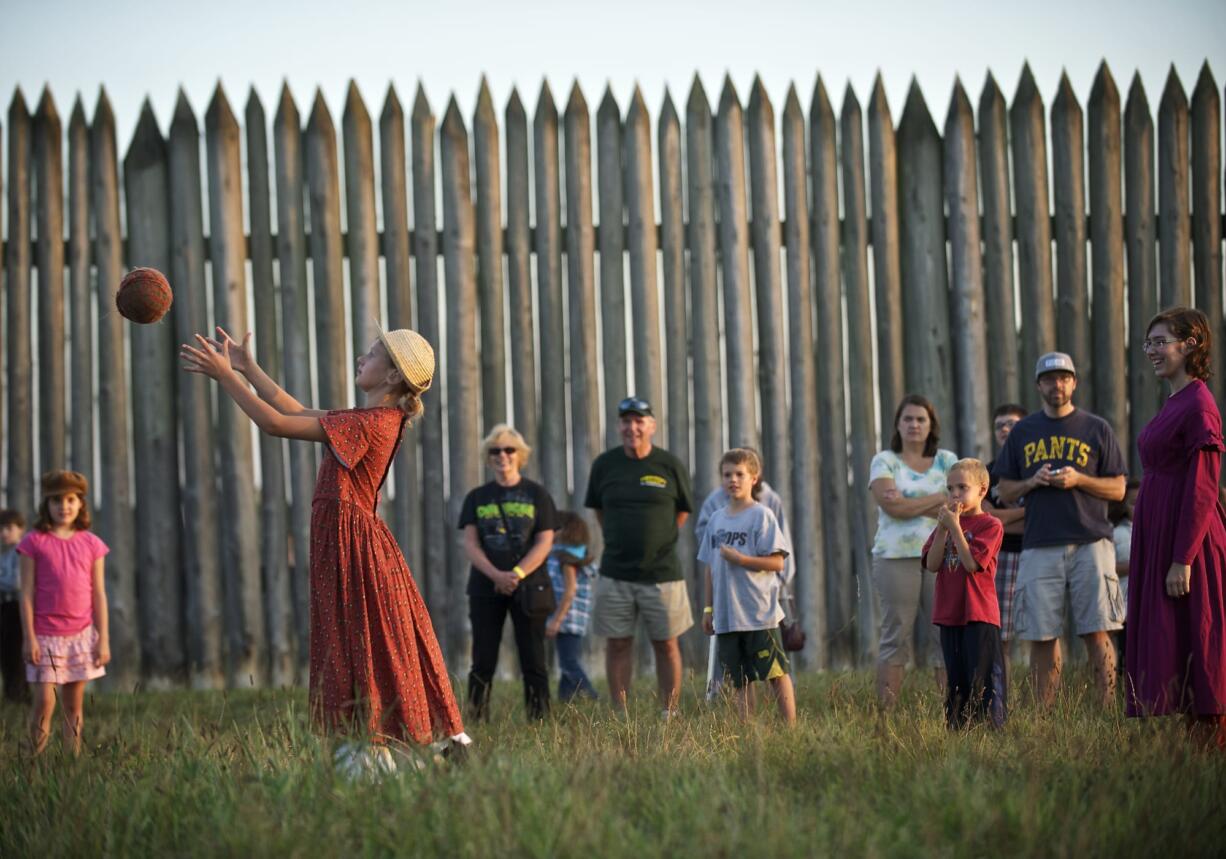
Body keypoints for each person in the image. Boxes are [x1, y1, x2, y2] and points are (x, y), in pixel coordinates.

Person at [181, 325, 469, 762]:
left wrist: (226, 378)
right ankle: (384, 742)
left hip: (354, 548)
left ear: (392, 377)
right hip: (346, 544)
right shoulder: (366, 419)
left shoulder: (369, 424)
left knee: (363, 639)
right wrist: (248, 367)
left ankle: (380, 747)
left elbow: (275, 424)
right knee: (362, 639)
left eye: (371, 355)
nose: (361, 358)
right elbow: (293, 407)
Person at [993, 352, 1127, 710]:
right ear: (1039, 385)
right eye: (1050, 379)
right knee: (1040, 633)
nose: (1058, 384)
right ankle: (1043, 713)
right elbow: (1004, 490)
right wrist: (1031, 482)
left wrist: (1079, 478)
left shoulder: (1096, 428)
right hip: (1039, 544)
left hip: (1091, 541)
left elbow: (1118, 489)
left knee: (1097, 630)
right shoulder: (1023, 431)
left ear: (1074, 382)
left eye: (1064, 377)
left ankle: (1106, 708)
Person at [1127, 307, 1226, 748]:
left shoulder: (1200, 404)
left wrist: (1182, 558)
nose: (1152, 351)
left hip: (1189, 543)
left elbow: (1204, 488)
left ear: (1190, 344)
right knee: (1175, 637)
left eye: (1160, 341)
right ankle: (1191, 748)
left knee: (1196, 637)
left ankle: (1210, 748)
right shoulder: (1175, 401)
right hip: (1162, 533)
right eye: (1148, 343)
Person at [585, 396, 694, 716]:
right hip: (616, 573)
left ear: (652, 426)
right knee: (617, 643)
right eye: (626, 421)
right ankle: (621, 713)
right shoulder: (604, 465)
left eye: (639, 421)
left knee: (667, 644)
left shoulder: (669, 465)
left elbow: (682, 511)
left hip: (663, 575)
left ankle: (669, 712)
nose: (632, 427)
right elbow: (599, 511)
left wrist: (656, 542)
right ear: (619, 426)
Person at [459, 425, 557, 721]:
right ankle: (477, 718)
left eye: (508, 450)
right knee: (483, 659)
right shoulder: (477, 497)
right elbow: (471, 543)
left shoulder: (537, 494)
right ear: (488, 458)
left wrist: (515, 574)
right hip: (485, 587)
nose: (502, 456)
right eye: (495, 451)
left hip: (529, 587)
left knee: (534, 659)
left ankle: (539, 720)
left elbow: (545, 541)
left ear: (520, 455)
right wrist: (496, 576)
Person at [868, 394, 958, 708]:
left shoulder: (948, 460)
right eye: (908, 418)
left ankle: (952, 712)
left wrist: (909, 504)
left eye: (921, 419)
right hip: (895, 557)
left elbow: (958, 506)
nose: (914, 425)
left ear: (931, 424)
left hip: (942, 554)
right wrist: (937, 499)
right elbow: (893, 508)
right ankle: (886, 713)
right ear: (898, 423)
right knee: (896, 633)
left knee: (944, 633)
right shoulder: (884, 461)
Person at [17, 471, 110, 755]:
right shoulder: (34, 542)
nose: (63, 506)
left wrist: (103, 638)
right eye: (56, 500)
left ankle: (72, 760)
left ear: (80, 503)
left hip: (80, 635)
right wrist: (29, 637)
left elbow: (98, 594)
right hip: (45, 635)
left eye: (70, 499)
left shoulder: (91, 544)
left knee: (74, 704)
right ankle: (35, 758)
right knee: (45, 701)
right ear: (46, 504)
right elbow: (27, 592)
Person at [700, 448, 795, 724]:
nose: (733, 480)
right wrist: (709, 609)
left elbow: (778, 563)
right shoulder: (716, 520)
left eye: (740, 474)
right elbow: (710, 567)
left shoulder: (761, 516)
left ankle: (790, 730)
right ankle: (747, 730)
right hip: (728, 616)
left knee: (775, 672)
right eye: (727, 474)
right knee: (739, 680)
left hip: (758, 614)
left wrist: (741, 559)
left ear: (754, 478)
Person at [923, 459, 1006, 729]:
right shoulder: (945, 525)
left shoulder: (990, 525)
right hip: (950, 613)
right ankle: (958, 730)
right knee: (956, 678)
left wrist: (955, 527)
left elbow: (972, 564)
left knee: (982, 677)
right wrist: (944, 529)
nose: (955, 494)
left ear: (982, 490)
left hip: (979, 614)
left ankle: (989, 730)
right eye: (950, 488)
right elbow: (933, 564)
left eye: (962, 487)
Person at [984, 404, 1027, 651]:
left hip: (1037, 551)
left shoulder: (1038, 467)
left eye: (1012, 423)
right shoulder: (988, 472)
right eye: (999, 425)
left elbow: (1045, 521)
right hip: (1002, 556)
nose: (1005, 429)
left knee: (1043, 633)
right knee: (1001, 636)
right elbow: (987, 521)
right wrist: (1028, 513)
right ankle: (1002, 691)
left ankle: (1042, 691)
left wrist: (1002, 518)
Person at [546, 511, 599, 702]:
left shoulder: (567, 559)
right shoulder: (574, 554)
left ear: (564, 531)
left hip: (567, 619)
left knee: (569, 662)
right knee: (566, 661)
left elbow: (570, 591)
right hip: (573, 619)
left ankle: (591, 694)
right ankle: (565, 699)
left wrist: (556, 620)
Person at [1108, 480, 1140, 664]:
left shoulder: (1157, 530)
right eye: (1132, 503)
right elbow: (1109, 567)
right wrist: (1136, 566)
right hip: (1124, 605)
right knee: (1125, 655)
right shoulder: (1117, 533)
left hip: (1148, 605)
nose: (1137, 507)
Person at [0, 509, 28, 704]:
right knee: (6, 653)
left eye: (9, 528)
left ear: (20, 530)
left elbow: (17, 583)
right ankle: (11, 696)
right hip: (4, 606)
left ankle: (20, 697)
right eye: (1, 529)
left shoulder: (21, 553)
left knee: (16, 653)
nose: (4, 533)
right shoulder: (4, 554)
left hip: (17, 607)